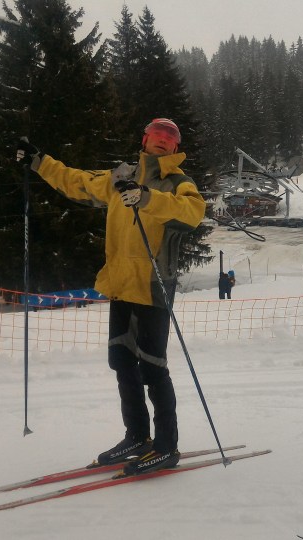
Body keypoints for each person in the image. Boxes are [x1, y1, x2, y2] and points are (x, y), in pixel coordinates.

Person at [15, 118, 206, 476]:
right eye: (157, 135)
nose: (163, 141)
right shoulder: (120, 177)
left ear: (176, 148)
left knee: (153, 369)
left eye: (170, 137)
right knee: (122, 364)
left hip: (152, 287)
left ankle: (167, 446)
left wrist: (148, 198)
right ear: (144, 138)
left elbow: (193, 212)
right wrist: (39, 161)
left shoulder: (180, 183)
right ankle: (137, 436)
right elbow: (78, 181)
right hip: (121, 286)